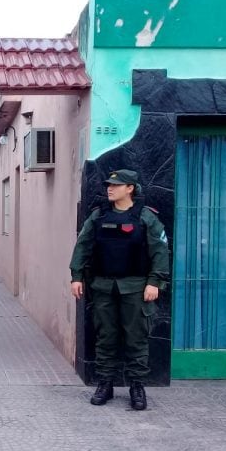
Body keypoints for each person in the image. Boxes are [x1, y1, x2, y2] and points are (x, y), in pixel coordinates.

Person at [69, 169, 169, 410]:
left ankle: (137, 386)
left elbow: (160, 250)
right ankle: (105, 383)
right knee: (105, 337)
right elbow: (83, 246)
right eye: (108, 185)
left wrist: (155, 281)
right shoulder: (98, 216)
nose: (110, 189)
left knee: (136, 339)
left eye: (116, 185)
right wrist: (77, 276)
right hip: (103, 286)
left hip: (136, 288)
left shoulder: (146, 217)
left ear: (130, 188)